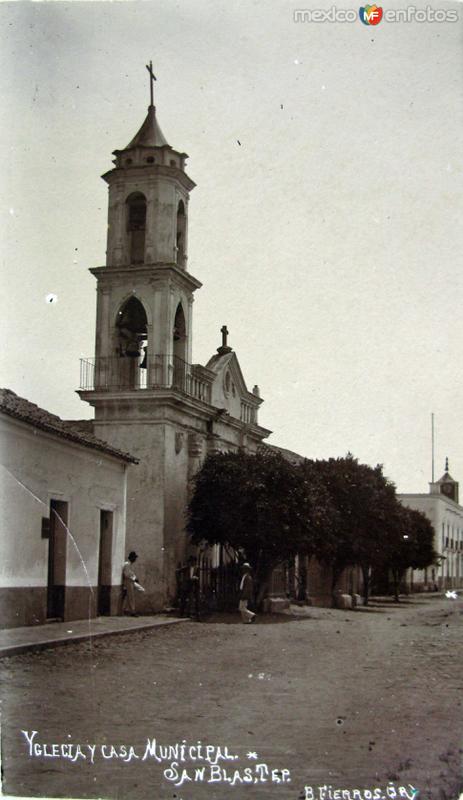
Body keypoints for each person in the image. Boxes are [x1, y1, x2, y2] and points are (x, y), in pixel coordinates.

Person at [122, 551, 141, 616]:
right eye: (134, 558)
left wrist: (135, 578)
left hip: (130, 581)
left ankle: (127, 609)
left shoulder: (129, 565)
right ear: (132, 558)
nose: (135, 559)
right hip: (128, 581)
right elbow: (127, 574)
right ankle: (132, 611)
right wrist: (134, 578)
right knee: (131, 596)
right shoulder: (127, 564)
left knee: (129, 596)